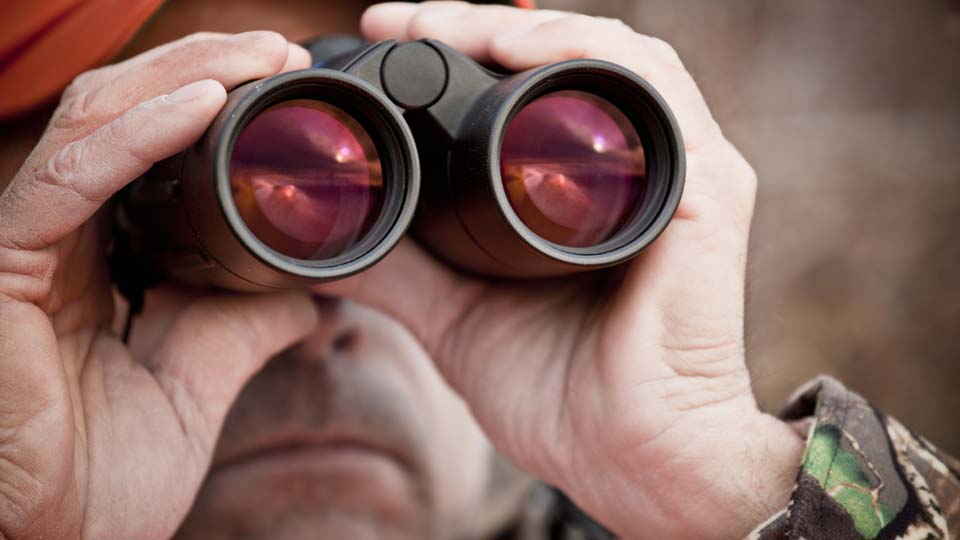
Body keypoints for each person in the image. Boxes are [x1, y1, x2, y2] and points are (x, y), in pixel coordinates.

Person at [0, 1, 957, 539]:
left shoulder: (701, 507)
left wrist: (722, 485)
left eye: (411, 207)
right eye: (252, 189)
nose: (332, 300)